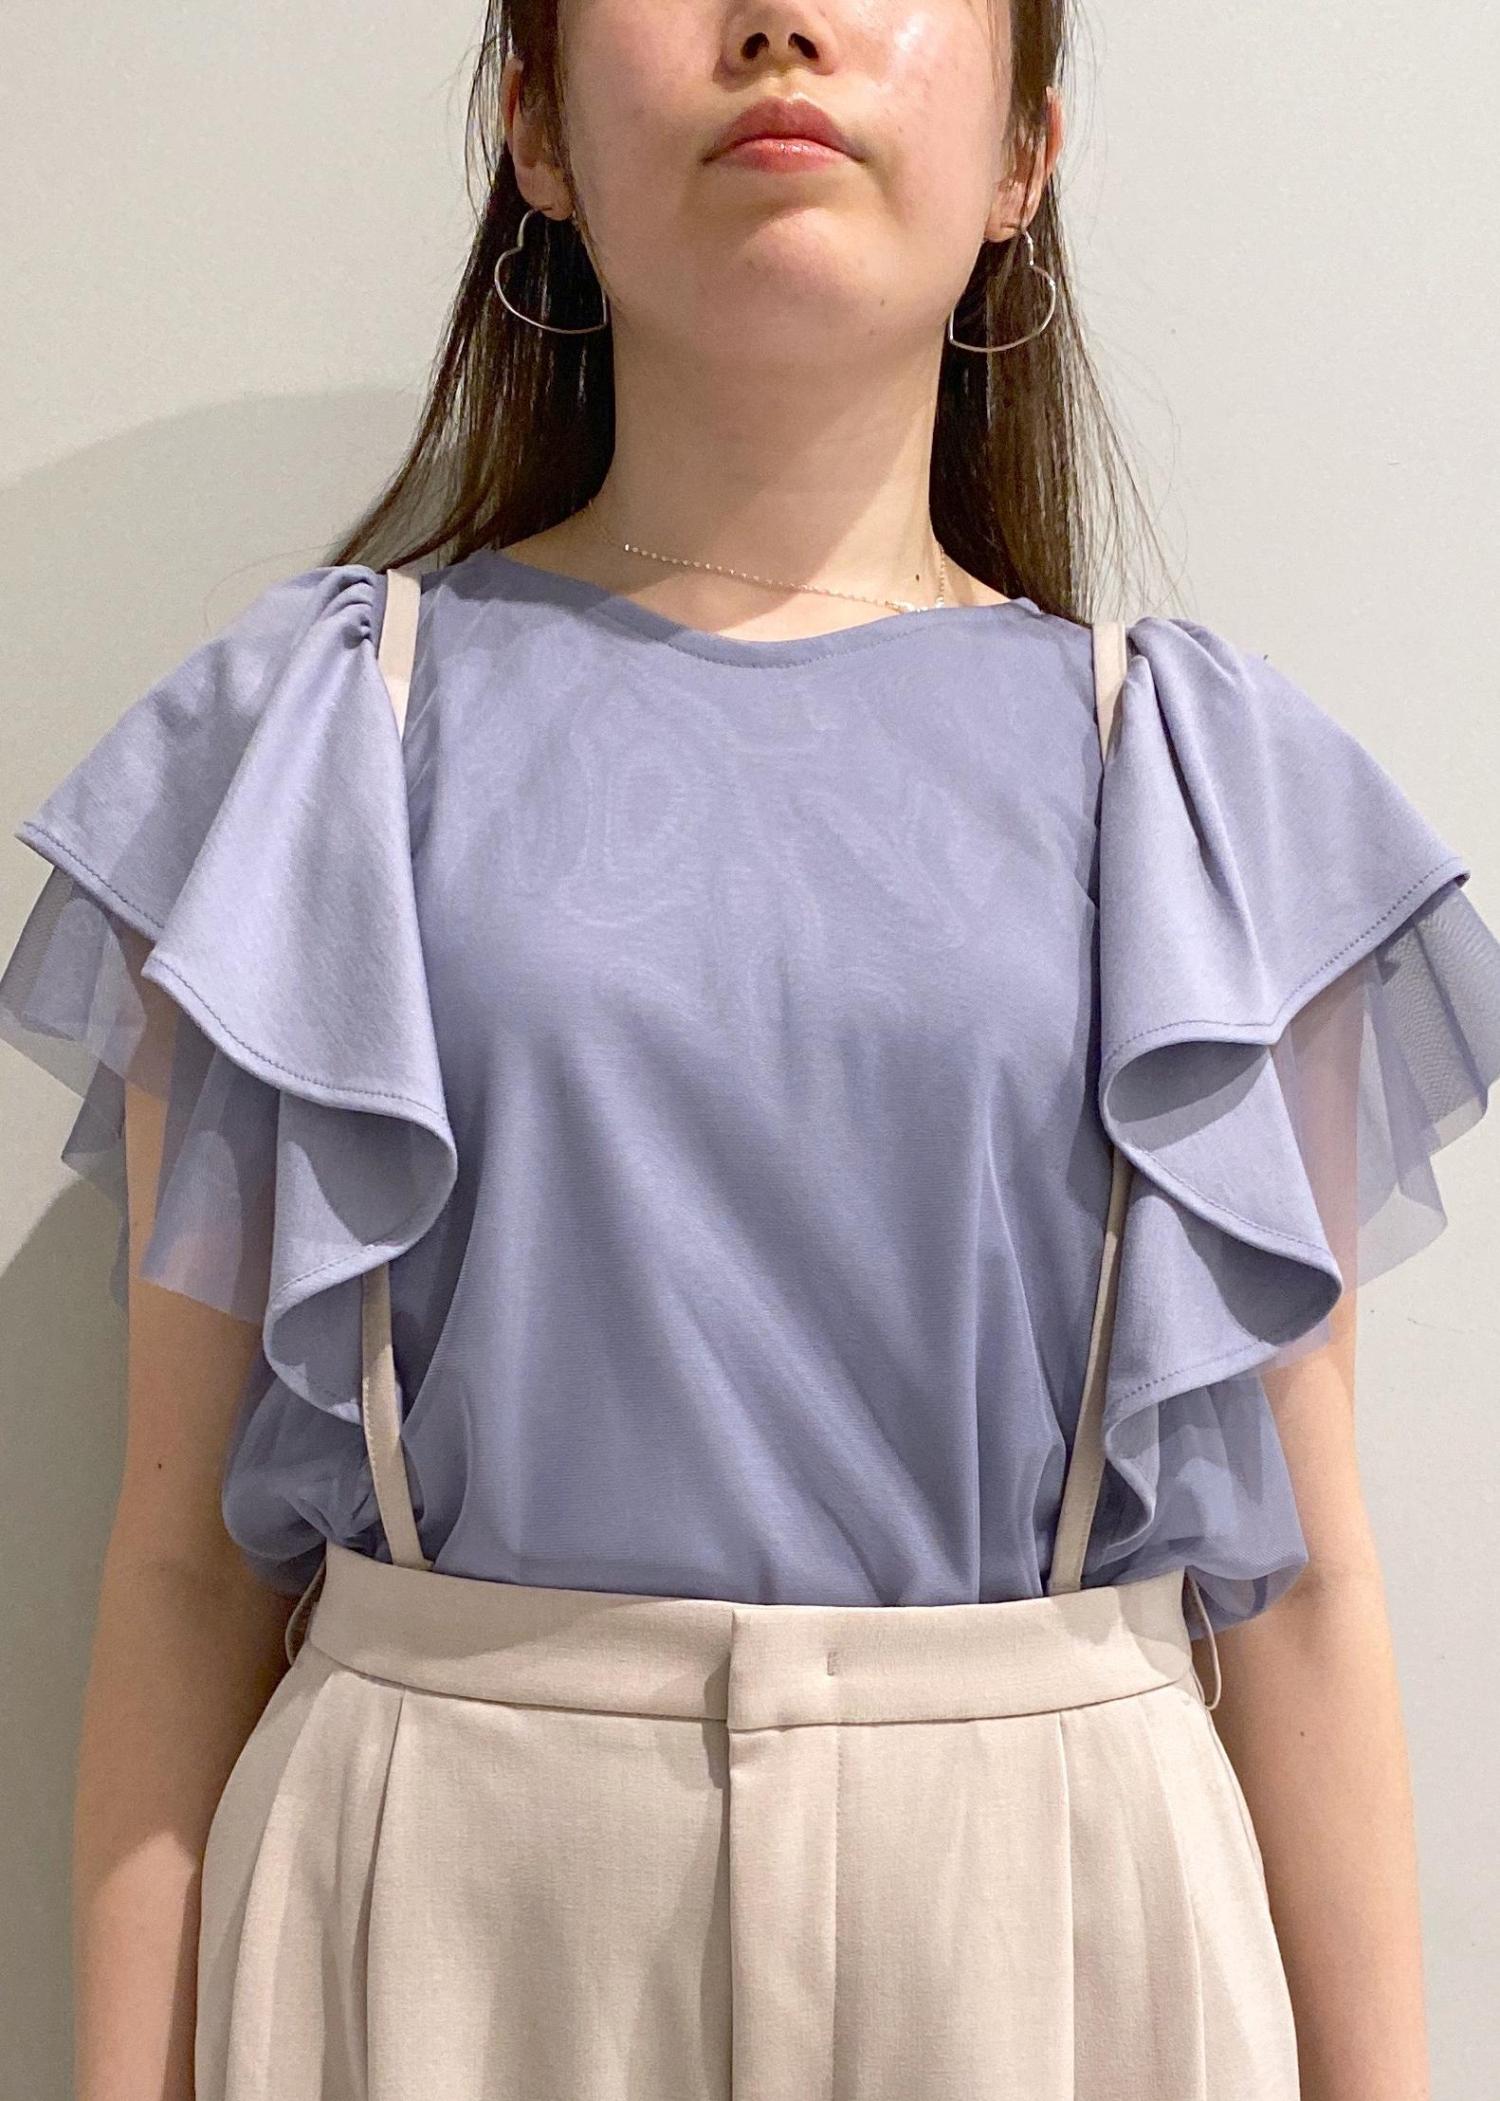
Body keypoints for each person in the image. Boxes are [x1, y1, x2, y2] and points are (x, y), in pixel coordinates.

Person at [3, 5, 1497, 2098]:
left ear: (1026, 154)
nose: (782, 22)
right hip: (445, 1922)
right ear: (534, 126)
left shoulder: (1197, 797)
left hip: (1057, 1932)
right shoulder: (314, 751)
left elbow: (1307, 1596)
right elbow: (179, 1566)